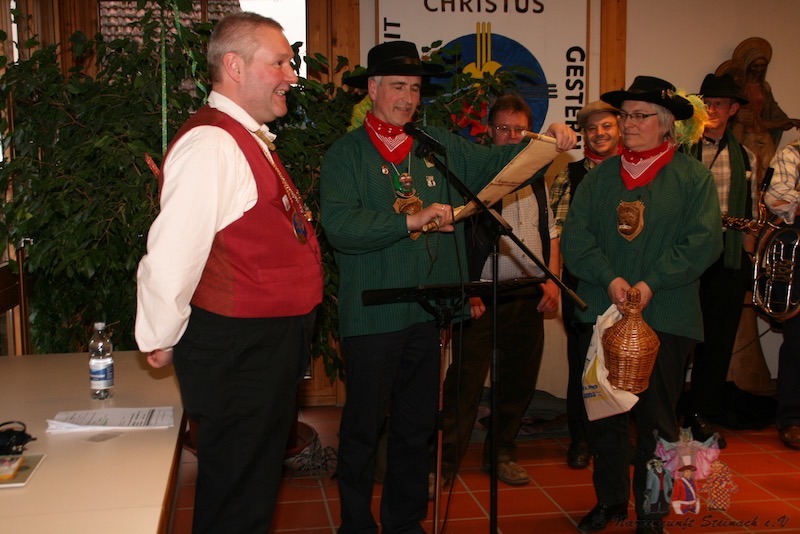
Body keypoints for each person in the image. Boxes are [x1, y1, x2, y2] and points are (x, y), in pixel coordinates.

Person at [319, 40, 576, 534]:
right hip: (372, 315)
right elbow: (341, 227)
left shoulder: (436, 144)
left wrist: (546, 144)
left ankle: (404, 522)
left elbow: (497, 166)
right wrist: (410, 221)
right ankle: (355, 524)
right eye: (398, 86)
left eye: (415, 89)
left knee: (416, 426)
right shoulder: (346, 154)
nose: (408, 98)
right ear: (372, 89)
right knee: (363, 428)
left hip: (428, 311)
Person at [134, 13, 323, 533]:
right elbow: (174, 251)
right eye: (279, 62)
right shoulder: (213, 143)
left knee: (250, 489)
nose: (291, 75)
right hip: (242, 349)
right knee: (238, 497)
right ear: (235, 67)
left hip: (259, 345)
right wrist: (160, 333)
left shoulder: (240, 136)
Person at [561, 76, 722, 534]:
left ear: (665, 123)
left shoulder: (692, 178)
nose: (628, 124)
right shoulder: (599, 178)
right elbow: (576, 238)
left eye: (639, 116)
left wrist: (652, 283)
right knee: (604, 416)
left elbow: (703, 242)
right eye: (624, 115)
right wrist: (610, 278)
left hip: (666, 314)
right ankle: (610, 500)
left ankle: (651, 511)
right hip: (602, 311)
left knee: (657, 421)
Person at [432, 94, 561, 491]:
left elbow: (550, 231)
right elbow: (456, 238)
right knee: (464, 383)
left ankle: (501, 453)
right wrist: (467, 287)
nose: (511, 136)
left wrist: (551, 278)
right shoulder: (477, 176)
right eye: (503, 128)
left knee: (518, 381)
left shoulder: (537, 176)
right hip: (481, 297)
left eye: (519, 130)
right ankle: (445, 463)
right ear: (489, 132)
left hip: (526, 295)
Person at [678, 73, 759, 448]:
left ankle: (701, 413)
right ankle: (668, 409)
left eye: (720, 104)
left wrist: (747, 253)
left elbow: (751, 212)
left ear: (733, 110)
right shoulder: (682, 151)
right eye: (707, 103)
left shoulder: (746, 157)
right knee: (678, 337)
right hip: (688, 252)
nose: (712, 110)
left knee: (717, 339)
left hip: (727, 256)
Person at [550, 99, 622, 469]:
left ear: (619, 128)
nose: (599, 133)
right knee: (583, 364)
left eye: (606, 125)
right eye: (592, 128)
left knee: (622, 365)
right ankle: (580, 440)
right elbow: (557, 234)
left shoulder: (635, 173)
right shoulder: (569, 176)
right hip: (580, 287)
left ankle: (616, 441)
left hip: (626, 286)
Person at [718, 37, 800, 183]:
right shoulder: (737, 87)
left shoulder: (764, 87)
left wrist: (787, 121)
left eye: (762, 66)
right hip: (746, 135)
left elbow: (773, 110)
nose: (759, 70)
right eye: (755, 66)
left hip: (762, 134)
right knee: (747, 170)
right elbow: (724, 110)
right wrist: (737, 116)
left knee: (767, 169)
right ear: (747, 65)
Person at [763, 137, 800, 451]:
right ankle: (792, 417)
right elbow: (776, 197)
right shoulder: (792, 154)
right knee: (798, 340)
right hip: (798, 256)